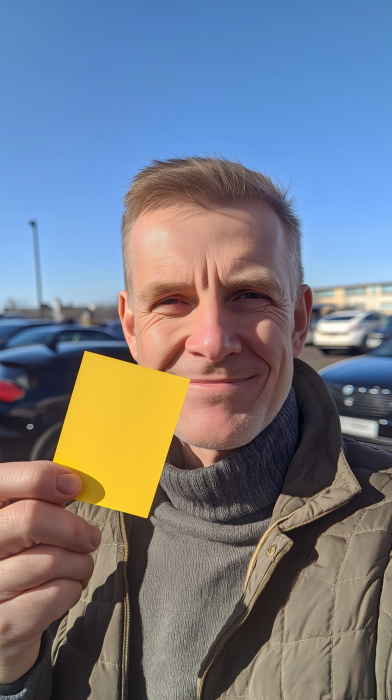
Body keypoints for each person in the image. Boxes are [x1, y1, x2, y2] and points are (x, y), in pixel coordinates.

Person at [0, 157, 391, 700]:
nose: (211, 341)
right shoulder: (66, 507)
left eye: (250, 294)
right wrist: (13, 672)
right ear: (132, 330)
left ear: (300, 321)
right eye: (171, 301)